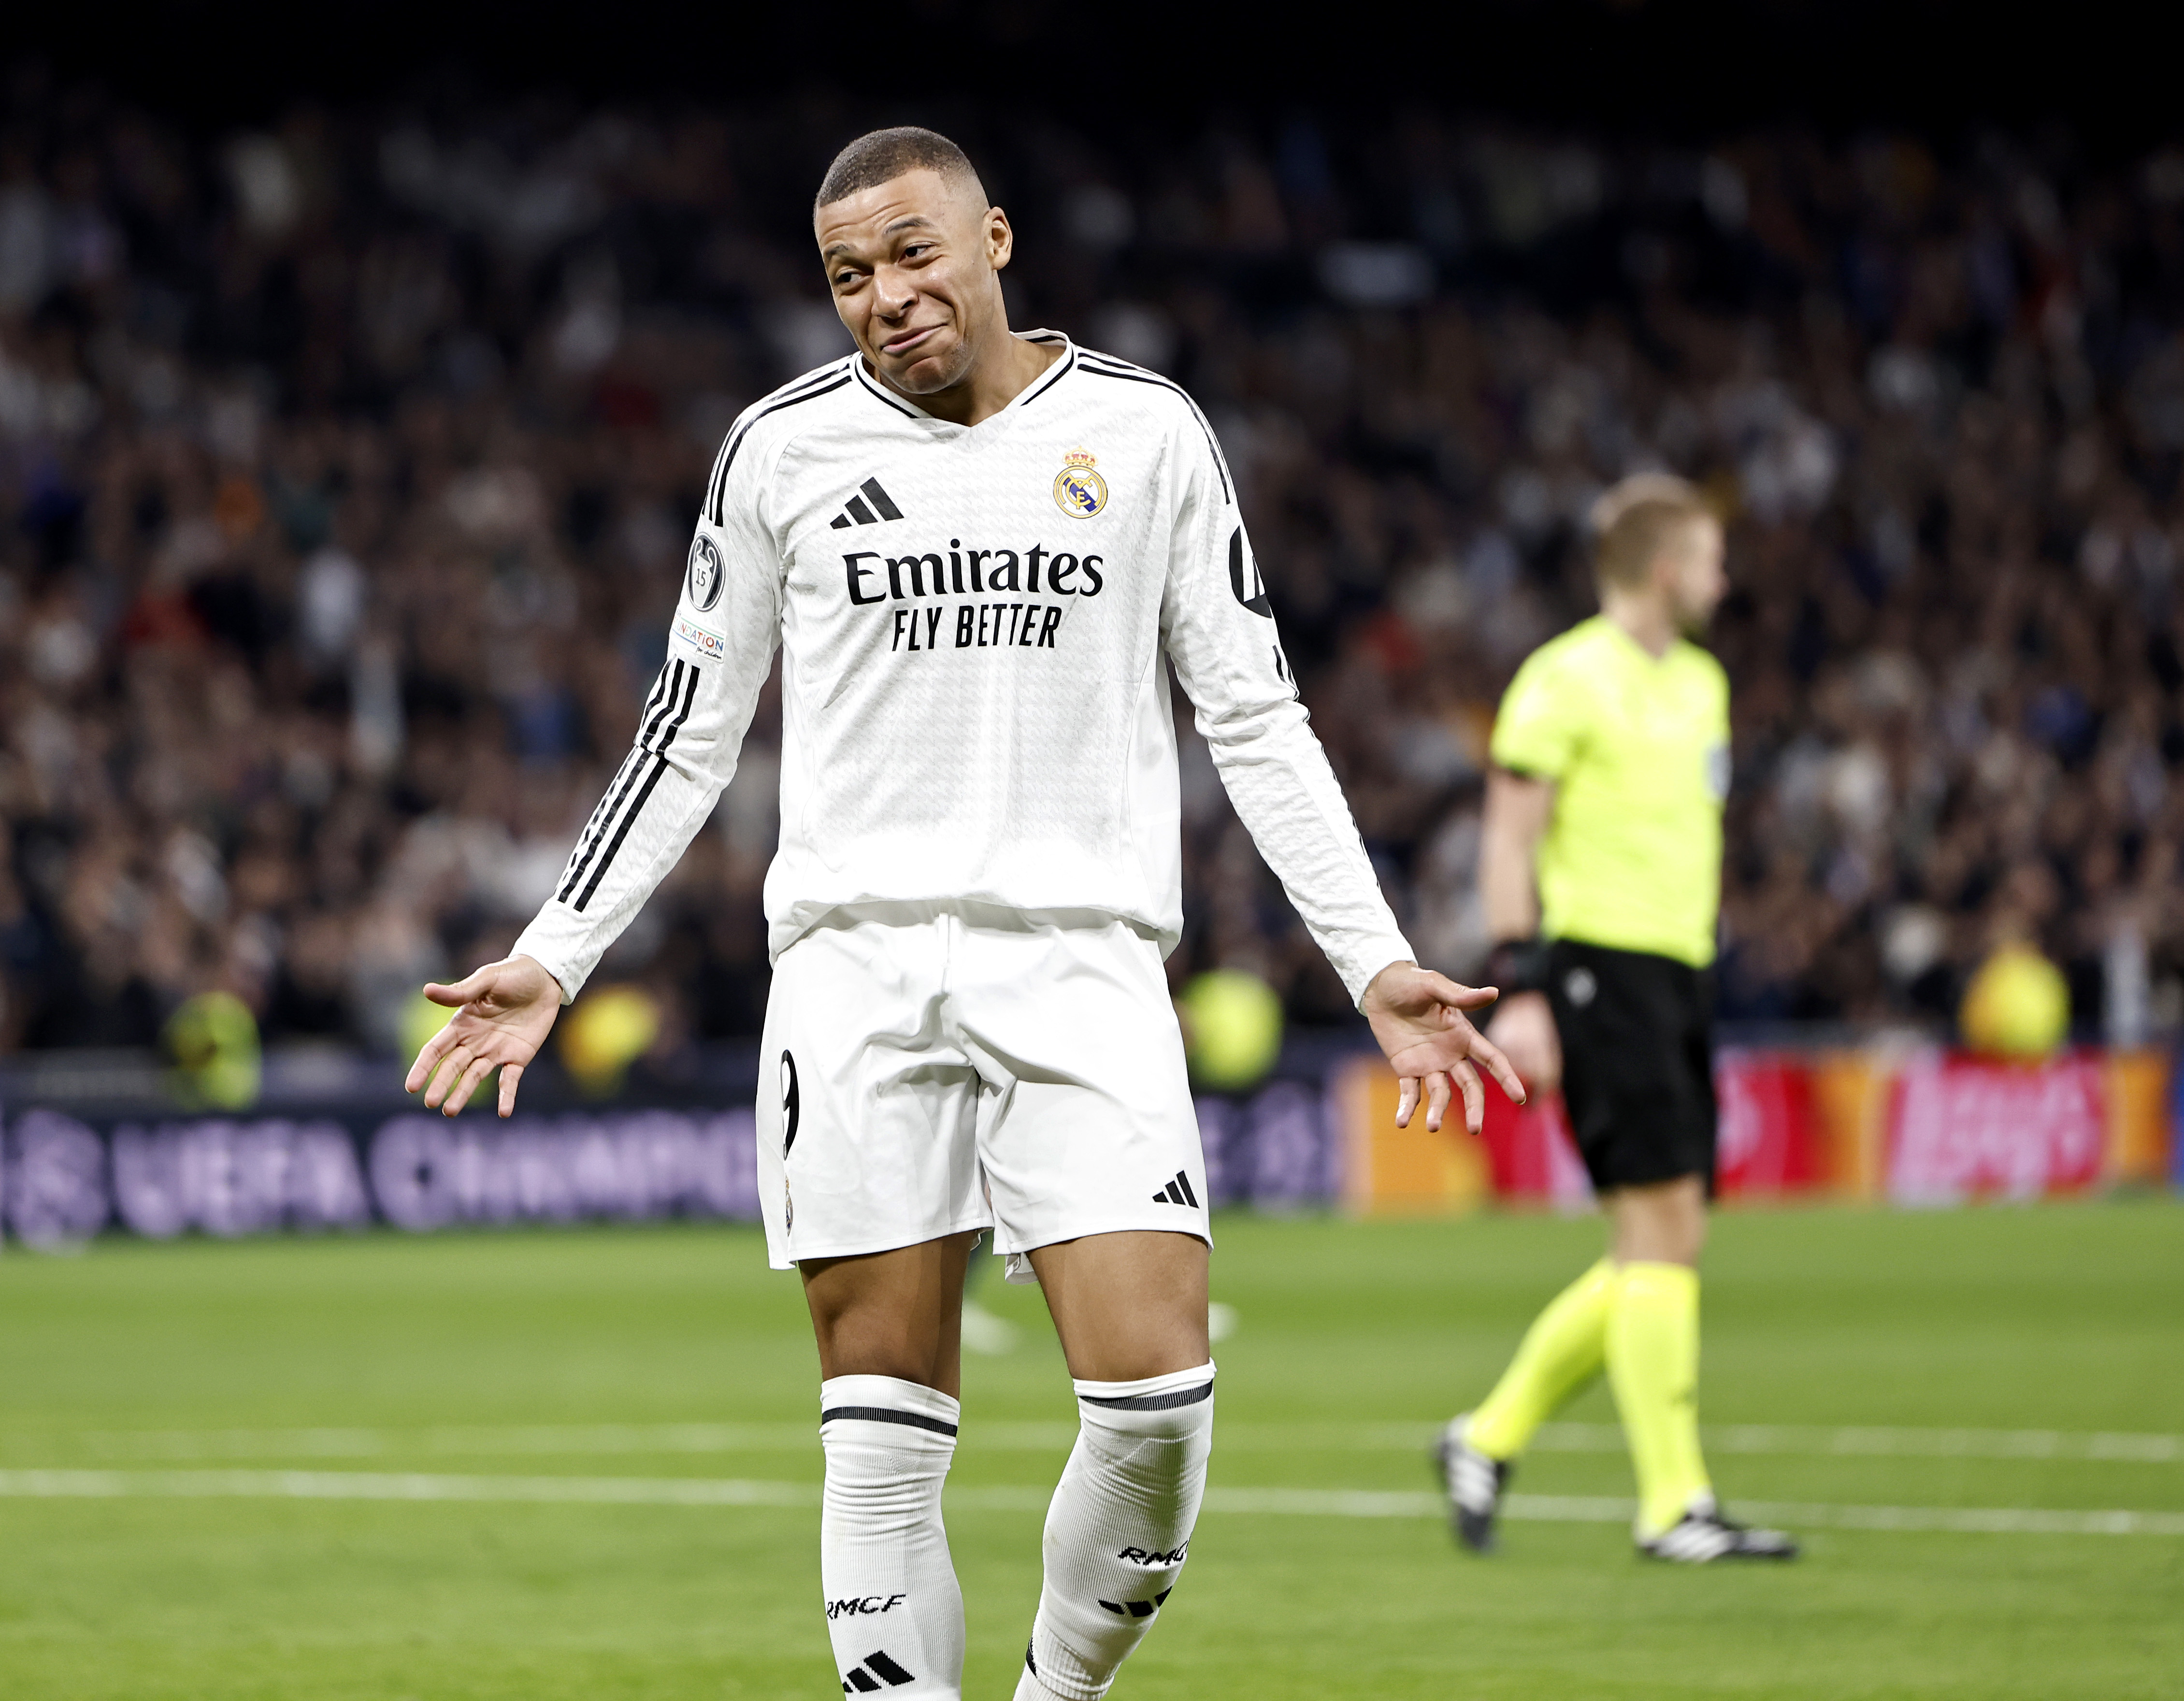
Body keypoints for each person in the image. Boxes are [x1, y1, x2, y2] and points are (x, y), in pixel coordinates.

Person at [406, 127, 1522, 1700]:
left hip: (1083, 962)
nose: (887, 296)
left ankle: (1055, 1691)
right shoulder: (779, 451)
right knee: (879, 1429)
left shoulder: (1144, 435)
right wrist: (553, 954)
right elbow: (690, 727)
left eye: (916, 252)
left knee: (1155, 1408)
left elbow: (1257, 717)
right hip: (855, 970)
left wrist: (1378, 959)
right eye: (850, 275)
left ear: (996, 238)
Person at [1432, 474, 1798, 1564]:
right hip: (1597, 971)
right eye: (1712, 559)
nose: (1726, 580)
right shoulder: (1562, 677)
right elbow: (1506, 841)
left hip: (1678, 973)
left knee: (1661, 1236)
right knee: (1660, 1231)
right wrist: (1526, 986)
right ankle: (1673, 1503)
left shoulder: (1703, 683)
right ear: (1666, 568)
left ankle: (1485, 1434)